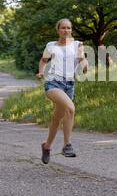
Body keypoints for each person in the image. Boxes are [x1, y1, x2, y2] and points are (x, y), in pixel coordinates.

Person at [36, 18, 88, 164]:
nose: (66, 30)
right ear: (58, 30)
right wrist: (40, 72)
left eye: (69, 28)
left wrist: (85, 65)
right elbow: (43, 61)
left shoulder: (78, 45)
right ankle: (67, 145)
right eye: (63, 28)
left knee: (56, 119)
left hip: (69, 84)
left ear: (71, 30)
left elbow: (82, 59)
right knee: (70, 109)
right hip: (53, 83)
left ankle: (46, 147)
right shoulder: (51, 45)